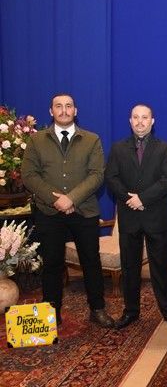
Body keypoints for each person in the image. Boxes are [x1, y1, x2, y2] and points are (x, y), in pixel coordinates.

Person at [21, 93, 114, 328]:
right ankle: (51, 312)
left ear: (75, 111)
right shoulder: (36, 140)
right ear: (51, 111)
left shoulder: (92, 140)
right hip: (49, 213)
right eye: (59, 106)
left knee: (91, 262)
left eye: (69, 106)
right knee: (52, 264)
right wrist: (57, 200)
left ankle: (97, 309)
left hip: (84, 212)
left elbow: (97, 175)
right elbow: (29, 175)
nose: (64, 110)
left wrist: (71, 198)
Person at [105, 104, 167, 329]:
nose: (140, 122)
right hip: (129, 217)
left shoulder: (164, 148)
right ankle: (131, 311)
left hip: (155, 217)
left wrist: (143, 199)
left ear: (152, 121)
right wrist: (130, 199)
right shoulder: (118, 148)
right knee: (130, 268)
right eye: (136, 117)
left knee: (160, 267)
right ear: (130, 121)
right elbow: (111, 178)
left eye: (145, 117)